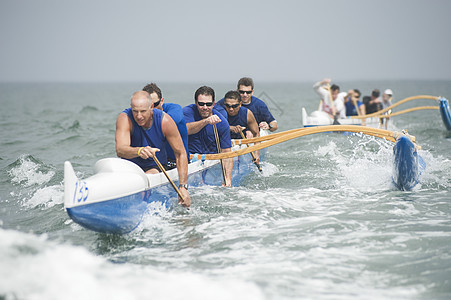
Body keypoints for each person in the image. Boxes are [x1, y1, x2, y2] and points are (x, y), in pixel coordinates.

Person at [115, 91, 190, 207]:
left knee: (150, 174)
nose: (139, 116)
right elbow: (120, 149)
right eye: (135, 111)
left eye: (143, 111)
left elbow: (180, 153)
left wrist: (183, 187)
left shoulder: (165, 121)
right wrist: (139, 151)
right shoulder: (124, 118)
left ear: (151, 107)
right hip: (130, 167)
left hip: (155, 166)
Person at [183, 86, 233, 187]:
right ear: (196, 102)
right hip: (189, 160)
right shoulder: (187, 112)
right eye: (201, 104)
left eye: (208, 104)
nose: (205, 107)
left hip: (210, 162)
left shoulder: (222, 122)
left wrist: (227, 179)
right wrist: (206, 121)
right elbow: (186, 130)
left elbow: (226, 154)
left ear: (214, 104)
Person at [142, 82, 189, 168]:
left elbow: (171, 121)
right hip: (156, 162)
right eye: (148, 106)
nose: (152, 109)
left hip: (177, 161)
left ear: (162, 101)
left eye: (155, 105)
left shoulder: (175, 108)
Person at [222, 90, 260, 164]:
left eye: (234, 106)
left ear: (240, 104)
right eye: (228, 106)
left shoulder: (247, 114)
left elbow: (256, 134)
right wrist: (231, 128)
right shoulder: (220, 113)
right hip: (224, 145)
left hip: (239, 143)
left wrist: (256, 154)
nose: (231, 109)